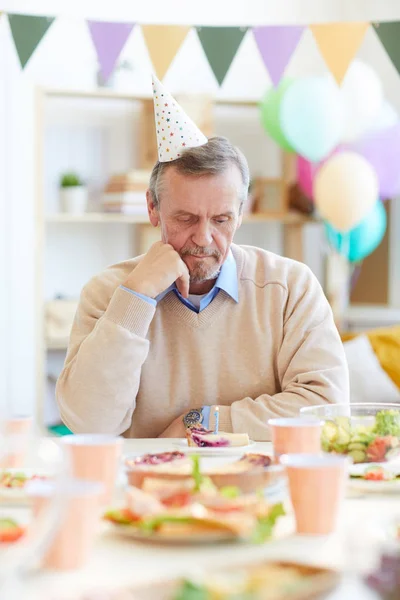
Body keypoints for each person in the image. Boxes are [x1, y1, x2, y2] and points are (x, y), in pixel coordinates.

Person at [56, 77, 349, 440]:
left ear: (241, 213)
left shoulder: (290, 287)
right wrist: (136, 297)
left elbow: (327, 409)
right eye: (185, 218)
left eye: (222, 220)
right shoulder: (108, 291)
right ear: (153, 208)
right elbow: (88, 425)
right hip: (147, 487)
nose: (204, 238)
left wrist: (202, 423)